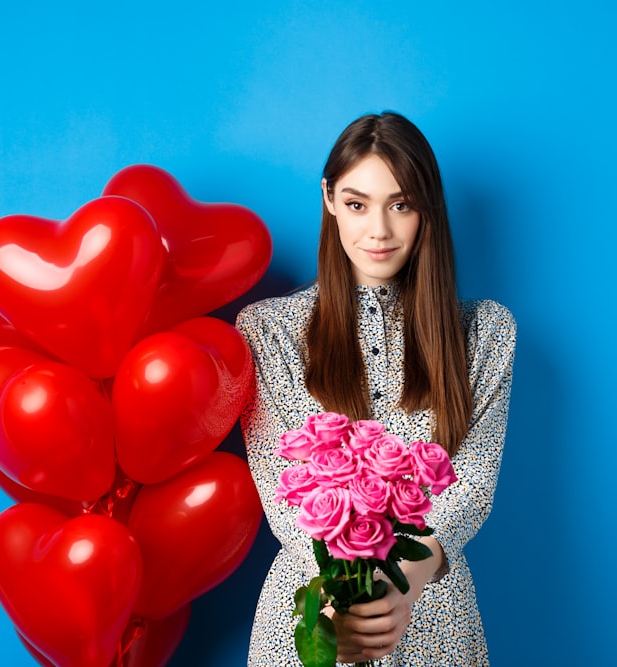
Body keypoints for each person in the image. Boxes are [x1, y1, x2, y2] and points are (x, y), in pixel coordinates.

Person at [235, 111, 516, 666]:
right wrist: (353, 600)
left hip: (437, 616)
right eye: (358, 203)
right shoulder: (270, 332)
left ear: (426, 208)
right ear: (330, 199)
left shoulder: (485, 333)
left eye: (402, 204)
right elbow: (287, 495)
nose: (380, 231)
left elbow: (472, 489)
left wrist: (402, 586)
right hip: (318, 618)